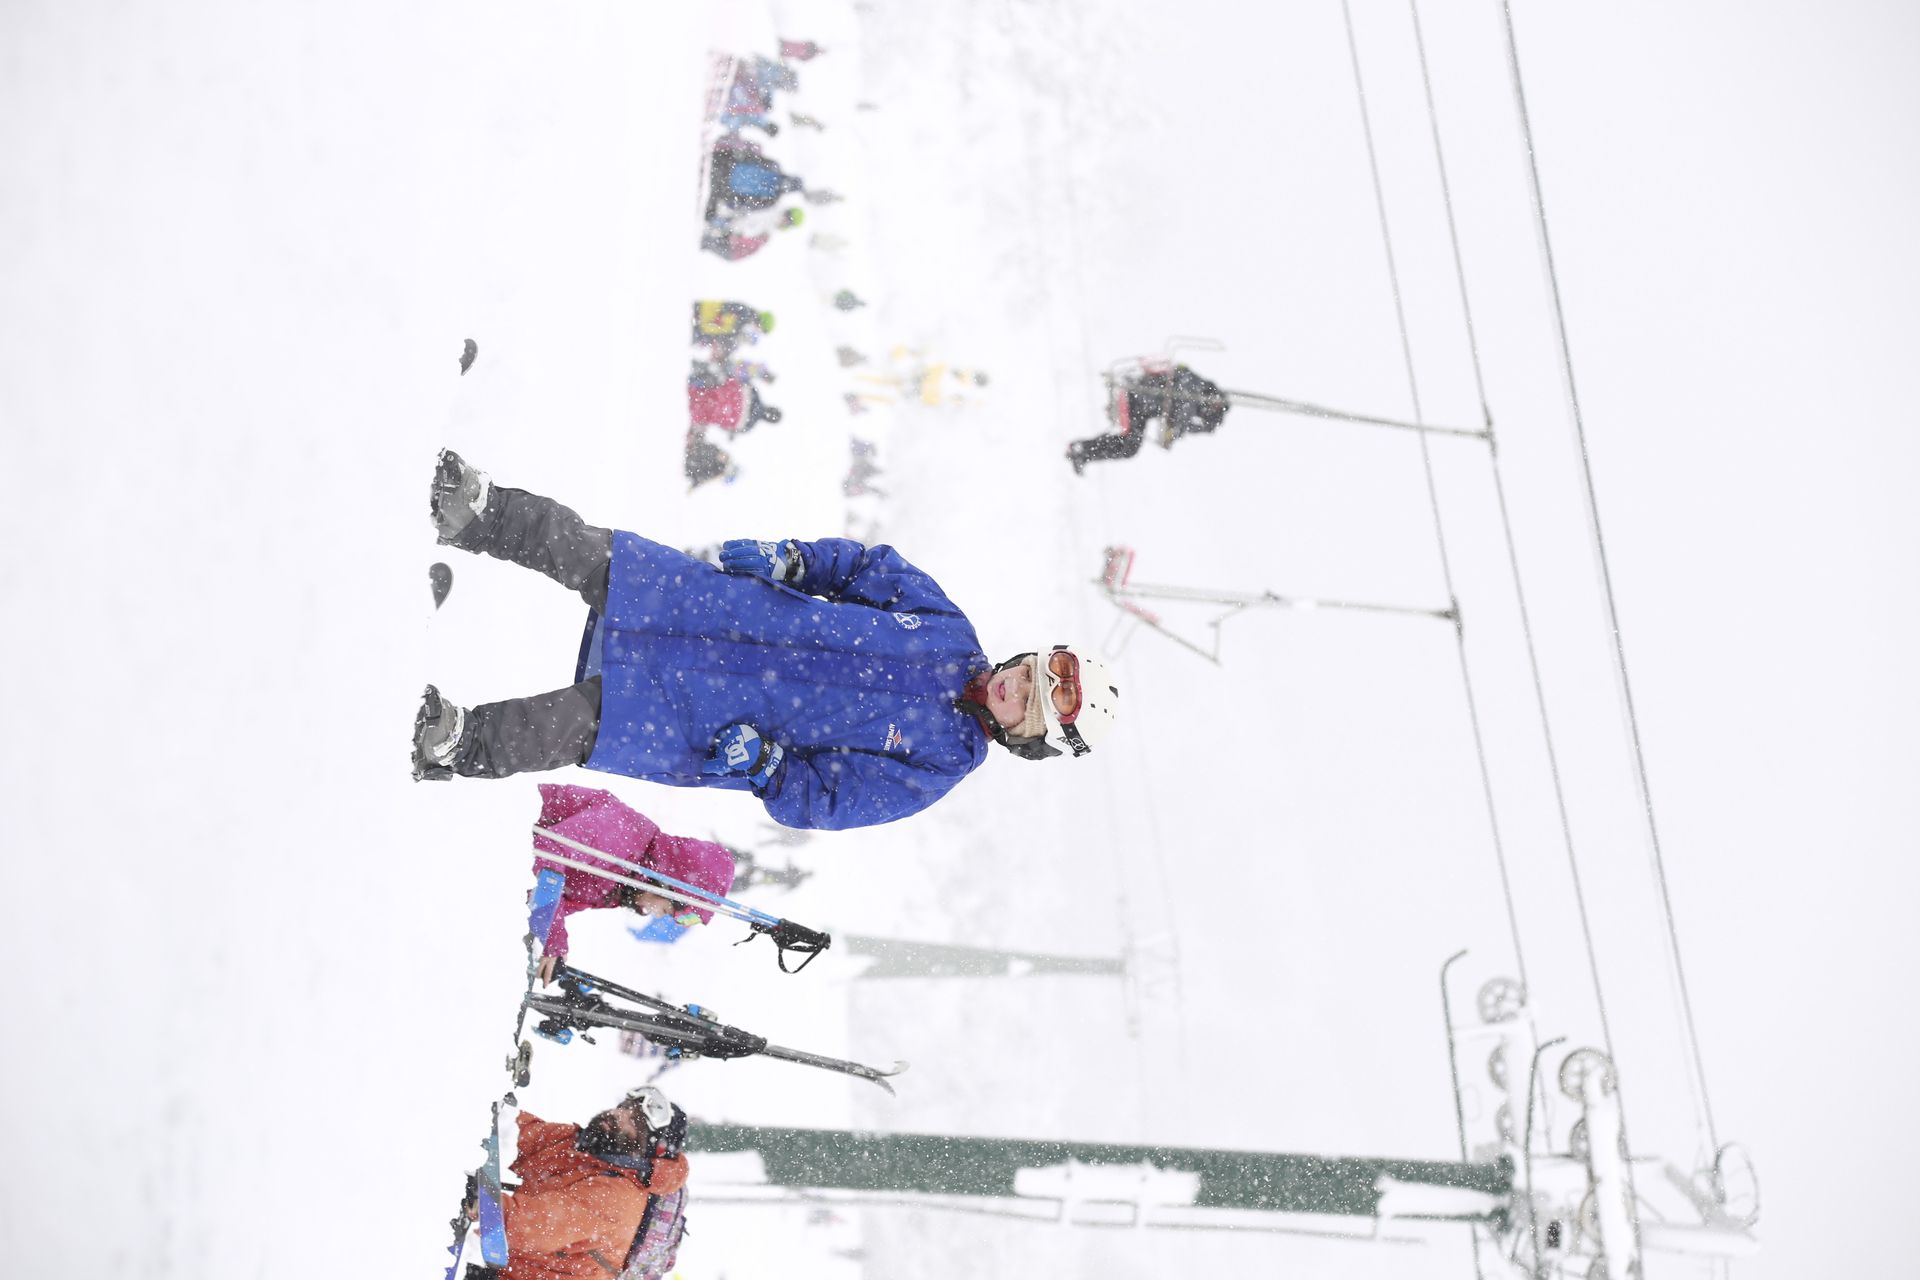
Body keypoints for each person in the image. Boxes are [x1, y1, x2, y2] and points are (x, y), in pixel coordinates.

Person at [412, 451, 1121, 829]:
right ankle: (477, 512)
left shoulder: (936, 765)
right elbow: (868, 569)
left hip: (715, 718)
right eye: (1029, 674)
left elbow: (826, 799)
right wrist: (794, 560)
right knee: (600, 555)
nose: (1015, 687)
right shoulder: (947, 632)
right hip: (726, 612)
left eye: (1026, 704)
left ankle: (456, 741)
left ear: (1027, 738)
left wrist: (768, 768)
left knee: (571, 726)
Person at [528, 783, 738, 982]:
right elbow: (549, 850)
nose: (655, 914)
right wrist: (552, 937)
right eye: (665, 910)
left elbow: (545, 900)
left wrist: (551, 945)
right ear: (667, 887)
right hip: (509, 813)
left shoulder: (623, 885)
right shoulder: (626, 834)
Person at [474, 1087, 689, 1280]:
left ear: (649, 1152)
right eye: (624, 1107)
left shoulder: (616, 1198)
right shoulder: (586, 1147)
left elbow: (523, 1225)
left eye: (635, 1122)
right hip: (508, 1268)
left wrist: (475, 1201)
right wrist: (479, 1107)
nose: (618, 1114)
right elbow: (516, 1132)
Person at [1067, 364, 1230, 474]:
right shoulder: (1194, 389)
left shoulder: (1194, 394)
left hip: (1142, 406)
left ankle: (1083, 451)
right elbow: (1181, 419)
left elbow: (1177, 424)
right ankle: (1082, 450)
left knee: (1129, 447)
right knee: (1129, 444)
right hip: (1138, 397)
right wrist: (1200, 428)